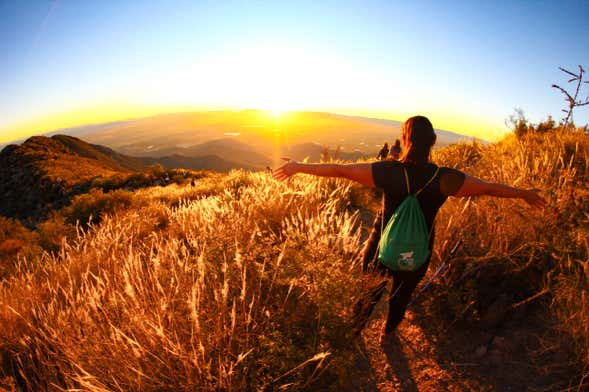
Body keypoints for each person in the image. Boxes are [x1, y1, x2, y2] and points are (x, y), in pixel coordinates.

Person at [273, 115, 546, 338]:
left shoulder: (388, 171)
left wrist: (298, 167)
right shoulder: (445, 178)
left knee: (368, 290)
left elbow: (340, 170)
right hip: (418, 249)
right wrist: (523, 193)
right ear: (433, 143)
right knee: (401, 295)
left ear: (405, 139)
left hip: (381, 244)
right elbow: (489, 188)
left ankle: (354, 331)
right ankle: (388, 332)